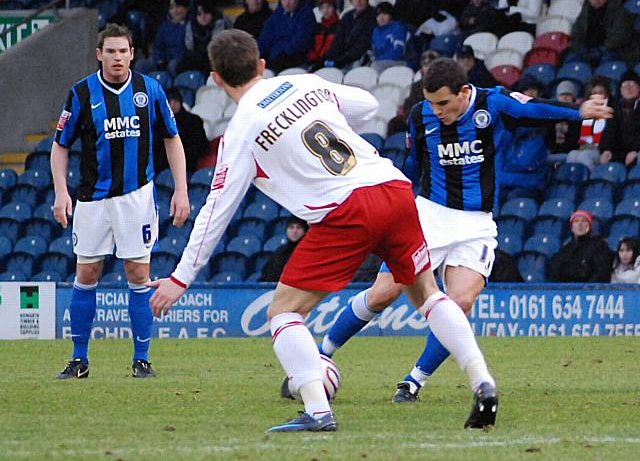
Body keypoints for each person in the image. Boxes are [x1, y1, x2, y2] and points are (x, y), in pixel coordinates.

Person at [148, 29, 499, 433]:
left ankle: (317, 410)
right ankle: (482, 381)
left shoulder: (240, 132)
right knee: (429, 295)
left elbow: (216, 212)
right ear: (261, 65)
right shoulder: (303, 82)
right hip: (394, 189)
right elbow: (368, 104)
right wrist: (320, 108)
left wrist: (180, 278)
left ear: (215, 79)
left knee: (283, 312)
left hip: (348, 209)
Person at [317, 57, 613, 403]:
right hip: (429, 215)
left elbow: (534, 108)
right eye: (431, 102)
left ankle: (413, 382)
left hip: (475, 223)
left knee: (459, 303)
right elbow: (413, 167)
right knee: (384, 293)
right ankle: (321, 355)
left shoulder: (492, 102)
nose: (437, 110)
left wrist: (580, 112)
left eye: (443, 102)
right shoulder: (420, 116)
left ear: (463, 92)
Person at [52, 24, 190, 380]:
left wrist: (182, 189)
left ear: (132, 53)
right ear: (99, 54)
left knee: (139, 273)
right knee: (86, 273)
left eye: (123, 51)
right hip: (93, 199)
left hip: (137, 197)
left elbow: (172, 139)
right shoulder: (81, 93)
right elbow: (60, 145)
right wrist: (60, 192)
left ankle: (141, 360)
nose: (117, 57)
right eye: (110, 51)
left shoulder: (150, 90)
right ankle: (78, 360)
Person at [569, 0, 639, 67]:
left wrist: (602, 49)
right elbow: (576, 34)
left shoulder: (618, 10)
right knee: (571, 60)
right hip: (588, 50)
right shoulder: (585, 12)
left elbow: (621, 35)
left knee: (607, 61)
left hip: (613, 51)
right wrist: (581, 49)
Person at [499, 75, 548, 203]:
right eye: (526, 90)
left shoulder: (542, 122)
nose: (531, 92)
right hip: (507, 182)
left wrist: (510, 165)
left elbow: (527, 162)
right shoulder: (508, 124)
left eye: (534, 89)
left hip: (529, 184)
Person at [257, 0, 316, 73]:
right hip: (274, 60)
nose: (287, 2)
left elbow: (302, 40)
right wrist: (257, 54)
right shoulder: (276, 16)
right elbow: (265, 38)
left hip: (298, 61)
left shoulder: (306, 14)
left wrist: (284, 53)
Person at [550, 210, 613, 283]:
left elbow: (601, 272)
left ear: (589, 226)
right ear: (572, 227)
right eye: (576, 221)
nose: (580, 224)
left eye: (584, 221)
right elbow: (556, 272)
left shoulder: (600, 246)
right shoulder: (566, 249)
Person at [387, 49, 440, 135]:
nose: (428, 68)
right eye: (426, 65)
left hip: (437, 116)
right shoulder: (416, 86)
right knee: (394, 123)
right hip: (419, 117)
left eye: (431, 65)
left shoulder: (444, 84)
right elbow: (411, 105)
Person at [566, 77, 612, 170]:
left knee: (584, 156)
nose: (597, 95)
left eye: (600, 92)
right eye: (594, 93)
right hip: (584, 148)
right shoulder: (586, 112)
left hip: (600, 150)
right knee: (572, 154)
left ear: (606, 95)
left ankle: (593, 180)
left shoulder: (610, 111)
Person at [326, 0, 377, 70]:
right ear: (351, 1)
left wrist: (342, 59)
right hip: (343, 57)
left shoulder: (373, 15)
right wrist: (331, 57)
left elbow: (364, 43)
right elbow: (338, 40)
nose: (358, 1)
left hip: (361, 57)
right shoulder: (347, 16)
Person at [599, 70, 640, 167]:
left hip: (637, 151)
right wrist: (606, 149)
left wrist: (636, 150)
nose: (628, 88)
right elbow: (609, 130)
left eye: (632, 84)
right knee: (582, 156)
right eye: (624, 86)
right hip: (618, 152)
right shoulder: (615, 107)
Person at [178, 0, 231, 74]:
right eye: (199, 14)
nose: (203, 17)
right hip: (197, 58)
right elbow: (189, 47)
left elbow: (217, 48)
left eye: (206, 12)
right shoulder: (191, 25)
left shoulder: (220, 23)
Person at [165, 88, 210, 173]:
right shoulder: (160, 122)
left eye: (175, 101)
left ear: (180, 102)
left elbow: (200, 146)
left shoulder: (194, 121)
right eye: (169, 102)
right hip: (164, 167)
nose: (172, 105)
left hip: (188, 165)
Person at [260, 216, 309, 282]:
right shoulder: (279, 252)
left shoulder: (308, 252)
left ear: (304, 231)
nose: (294, 231)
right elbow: (267, 275)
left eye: (298, 228)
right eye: (291, 227)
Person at [153, 0, 190, 75]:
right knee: (142, 65)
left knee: (172, 65)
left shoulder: (191, 25)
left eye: (178, 6)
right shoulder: (164, 27)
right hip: (165, 60)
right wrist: (159, 60)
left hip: (181, 61)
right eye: (172, 8)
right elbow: (158, 47)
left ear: (186, 8)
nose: (175, 11)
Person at [370, 2, 408, 74]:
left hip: (398, 61)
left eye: (384, 14)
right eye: (378, 15)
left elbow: (399, 51)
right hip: (380, 62)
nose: (381, 17)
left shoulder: (398, 26)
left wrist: (381, 59)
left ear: (391, 15)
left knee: (375, 67)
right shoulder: (376, 31)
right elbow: (375, 51)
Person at [306, 0, 340, 72]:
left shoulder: (340, 27)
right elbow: (311, 46)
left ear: (334, 8)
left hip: (331, 64)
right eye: (322, 7)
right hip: (314, 63)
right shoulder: (317, 27)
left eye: (328, 7)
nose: (325, 10)